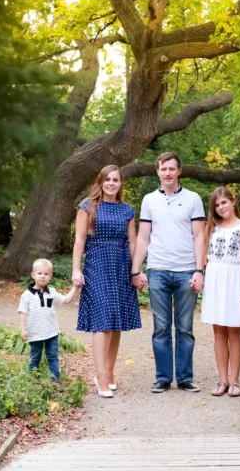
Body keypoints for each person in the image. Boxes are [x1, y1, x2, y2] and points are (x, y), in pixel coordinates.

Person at [132, 152, 206, 393]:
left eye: (172, 169)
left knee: (185, 327)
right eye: (164, 169)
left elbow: (199, 236)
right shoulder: (149, 200)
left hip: (186, 271)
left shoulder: (193, 199)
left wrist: (199, 270)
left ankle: (185, 377)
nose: (168, 173)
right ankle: (163, 377)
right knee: (161, 327)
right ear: (158, 172)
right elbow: (143, 237)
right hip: (158, 270)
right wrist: (136, 269)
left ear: (179, 171)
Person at [73, 165, 141, 399]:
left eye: (116, 180)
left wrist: (135, 271)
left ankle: (110, 372)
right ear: (100, 182)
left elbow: (133, 242)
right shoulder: (88, 206)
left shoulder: (127, 210)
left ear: (121, 184)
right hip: (97, 265)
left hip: (121, 266)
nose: (112, 183)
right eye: (108, 179)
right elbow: (80, 240)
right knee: (102, 321)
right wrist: (75, 270)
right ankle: (100, 375)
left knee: (115, 321)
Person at [200, 186, 240, 397]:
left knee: (234, 329)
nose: (221, 207)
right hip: (215, 278)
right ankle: (222, 380)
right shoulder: (212, 227)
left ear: (233, 201)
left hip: (234, 278)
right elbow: (205, 254)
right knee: (218, 331)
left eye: (224, 202)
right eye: (217, 204)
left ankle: (235, 380)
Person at [18, 258, 80, 383]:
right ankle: (33, 380)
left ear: (50, 276)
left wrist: (75, 287)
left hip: (51, 332)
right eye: (39, 273)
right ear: (33, 275)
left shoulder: (51, 292)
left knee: (52, 356)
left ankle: (55, 380)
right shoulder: (27, 295)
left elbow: (66, 300)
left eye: (46, 274)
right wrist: (22, 329)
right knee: (35, 357)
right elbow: (22, 312)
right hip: (35, 333)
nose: (42, 277)